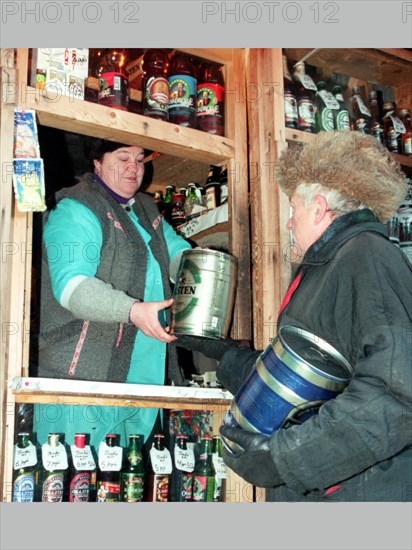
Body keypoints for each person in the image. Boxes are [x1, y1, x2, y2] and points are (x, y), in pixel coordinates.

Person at [176, 130, 412, 501]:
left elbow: (396, 395)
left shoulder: (368, 258)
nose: (289, 223)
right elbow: (304, 375)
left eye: (294, 209)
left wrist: (283, 459)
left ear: (318, 208)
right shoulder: (328, 263)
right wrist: (225, 355)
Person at [34, 138, 191, 453]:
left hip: (144, 383)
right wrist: (133, 311)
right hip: (80, 385)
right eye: (122, 158)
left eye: (140, 158)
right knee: (71, 487)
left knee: (124, 488)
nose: (134, 168)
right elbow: (72, 287)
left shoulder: (146, 208)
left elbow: (180, 256)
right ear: (97, 162)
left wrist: (205, 271)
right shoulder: (75, 208)